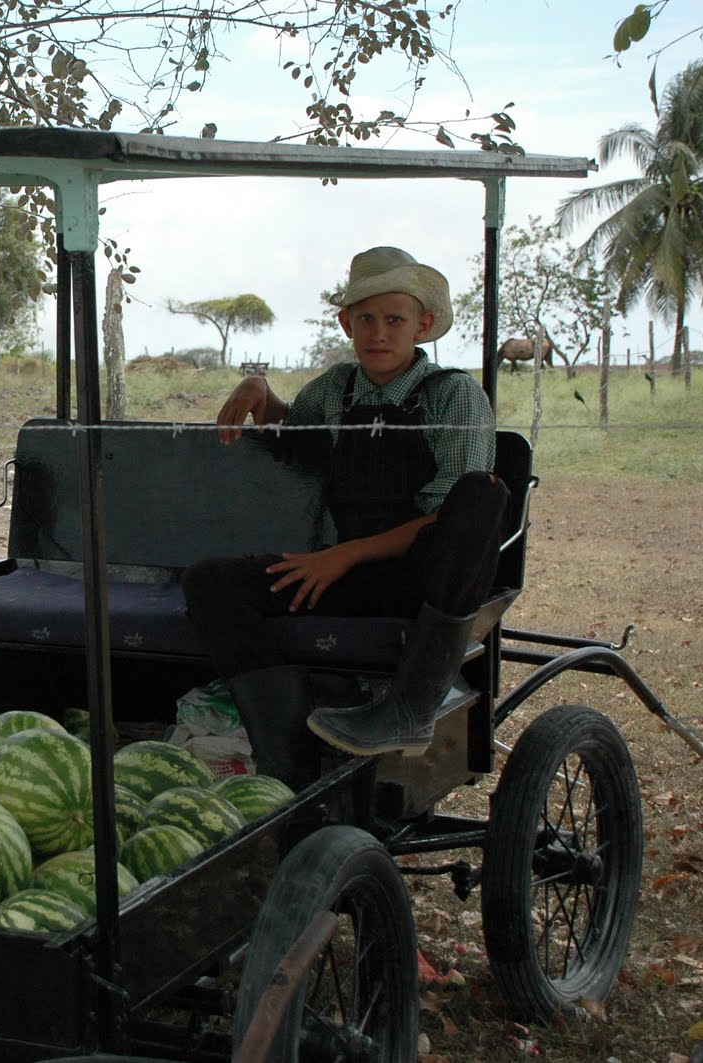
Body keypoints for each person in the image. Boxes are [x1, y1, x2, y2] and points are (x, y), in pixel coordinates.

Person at [181, 246, 511, 783]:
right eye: (366, 319)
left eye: (394, 320)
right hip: (352, 572)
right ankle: (287, 754)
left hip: (433, 581)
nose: (378, 333)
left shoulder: (455, 397)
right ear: (346, 323)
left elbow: (446, 520)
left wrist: (341, 556)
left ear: (422, 326)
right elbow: (290, 429)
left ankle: (408, 708)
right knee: (209, 582)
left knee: (481, 493)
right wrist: (258, 388)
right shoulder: (336, 390)